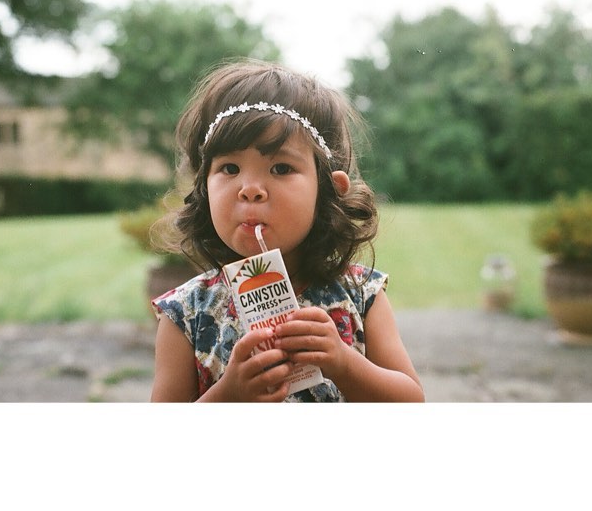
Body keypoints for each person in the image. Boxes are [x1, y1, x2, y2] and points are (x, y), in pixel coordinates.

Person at [150, 59, 424, 402]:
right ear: (204, 189)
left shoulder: (362, 295)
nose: (250, 189)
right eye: (230, 168)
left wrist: (344, 362)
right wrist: (229, 396)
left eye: (280, 167)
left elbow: (412, 401)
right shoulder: (185, 314)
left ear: (327, 189)